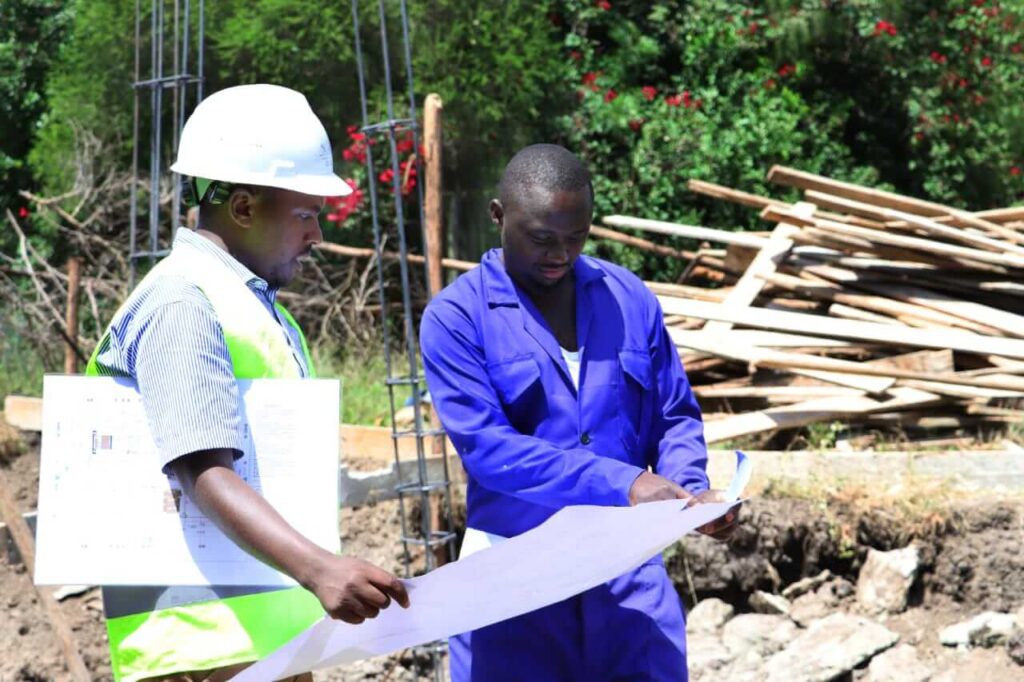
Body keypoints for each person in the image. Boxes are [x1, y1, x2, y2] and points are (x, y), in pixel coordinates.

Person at [86, 84, 409, 682]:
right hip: (201, 644)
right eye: (306, 216)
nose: (317, 236)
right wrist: (318, 568)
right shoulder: (183, 300)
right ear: (241, 208)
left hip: (256, 639)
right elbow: (200, 467)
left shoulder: (257, 309)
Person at [420, 143, 738, 681]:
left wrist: (691, 492)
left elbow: (674, 415)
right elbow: (491, 452)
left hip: (629, 578)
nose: (559, 254)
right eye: (541, 238)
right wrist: (625, 483)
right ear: (498, 216)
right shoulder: (456, 318)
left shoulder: (627, 297)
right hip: (513, 583)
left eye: (576, 237)